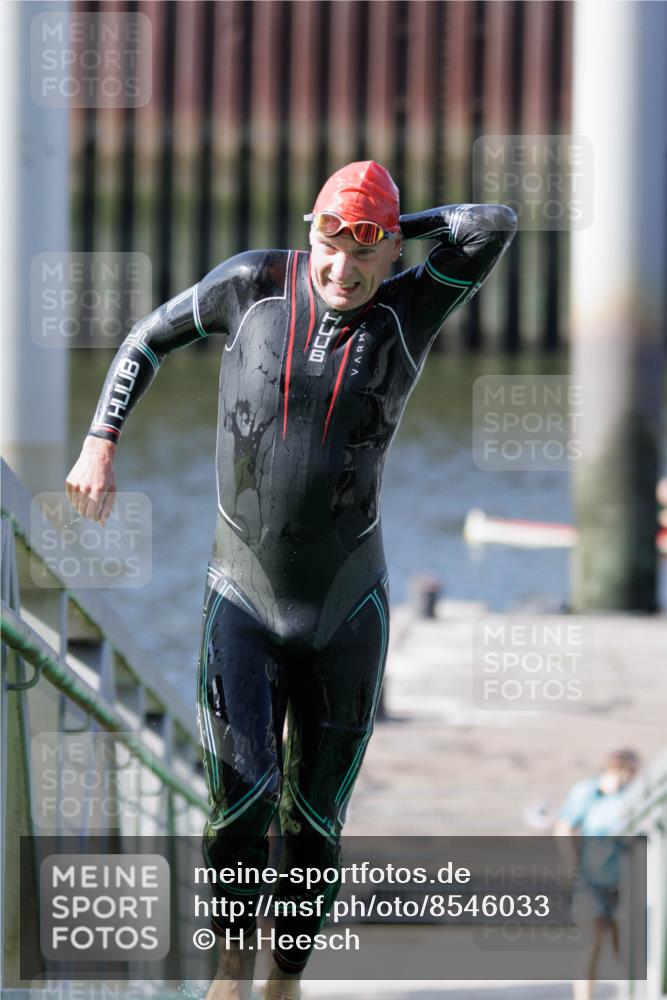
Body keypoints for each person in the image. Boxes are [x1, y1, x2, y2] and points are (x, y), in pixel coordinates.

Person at [65, 161, 517, 999]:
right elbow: (144, 340)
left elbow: (492, 222)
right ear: (307, 231)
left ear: (385, 257)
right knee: (239, 801)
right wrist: (101, 439)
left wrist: (388, 223)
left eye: (363, 253)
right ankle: (232, 963)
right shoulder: (252, 285)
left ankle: (286, 977)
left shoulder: (410, 310)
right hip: (241, 595)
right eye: (328, 242)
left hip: (349, 608)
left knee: (314, 823)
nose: (341, 270)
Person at [553, 748, 641, 1000]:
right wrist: (572, 866)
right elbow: (564, 826)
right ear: (621, 770)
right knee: (590, 946)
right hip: (591, 878)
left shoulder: (632, 795)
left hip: (627, 880)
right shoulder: (587, 792)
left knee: (626, 947)